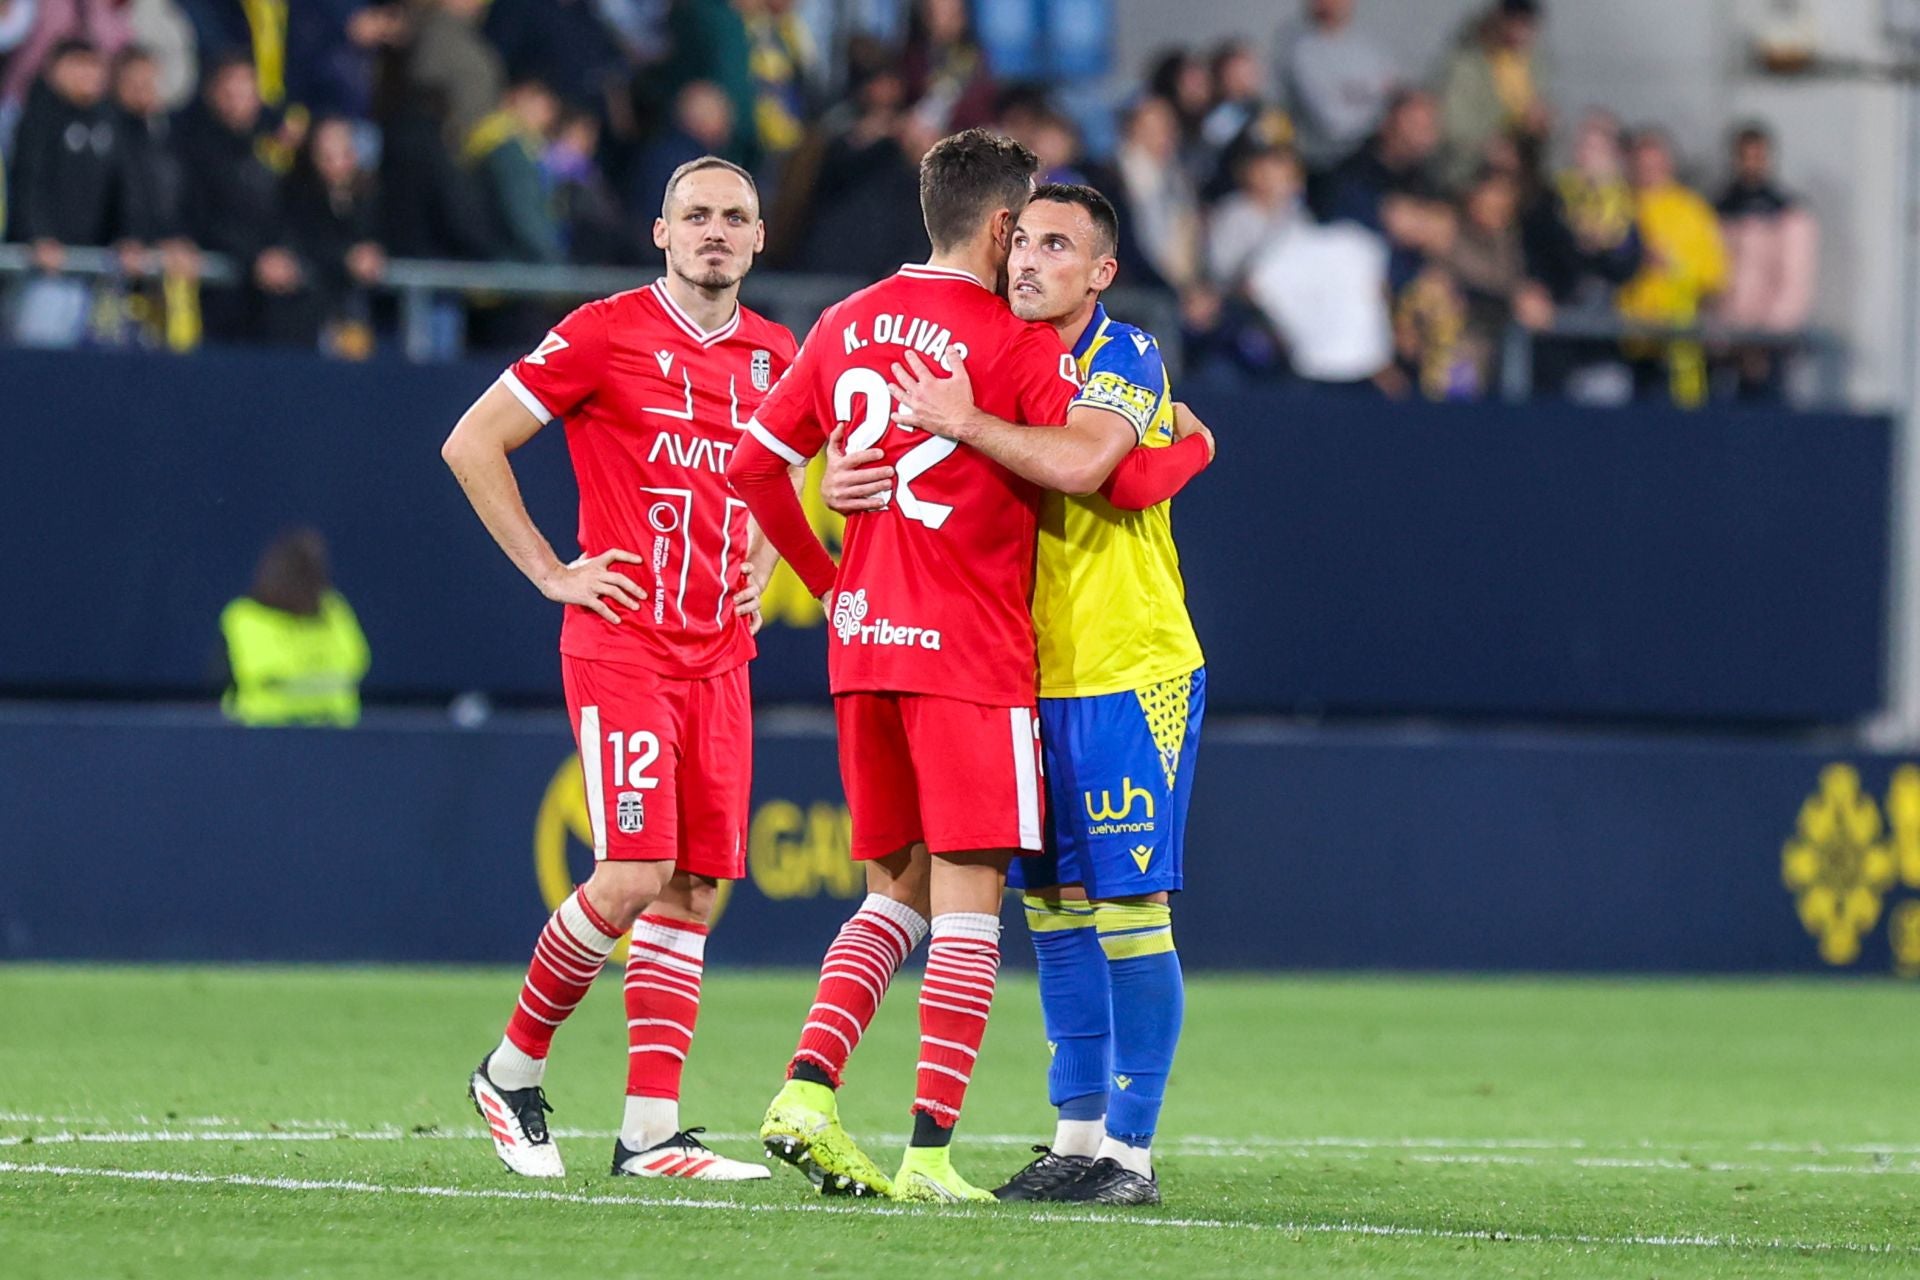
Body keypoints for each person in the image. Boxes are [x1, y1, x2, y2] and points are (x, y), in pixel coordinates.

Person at [823, 183, 1216, 1206]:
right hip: (1014, 675)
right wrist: (838, 474)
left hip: (1128, 668)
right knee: (1051, 915)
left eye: (1057, 244)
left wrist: (968, 420)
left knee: (1130, 911)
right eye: (1022, 239)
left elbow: (1096, 467)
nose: (1029, 258)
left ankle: (1130, 1149)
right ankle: (1074, 1134)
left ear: (1102, 271)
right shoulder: (986, 347)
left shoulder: (1121, 354)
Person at [726, 128, 1088, 1203]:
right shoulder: (1012, 340)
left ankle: (807, 1089)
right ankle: (930, 1154)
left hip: (865, 647)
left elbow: (752, 469)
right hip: (970, 651)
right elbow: (1084, 462)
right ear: (999, 226)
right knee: (974, 905)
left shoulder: (843, 320)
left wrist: (830, 579)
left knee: (899, 893)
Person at [442, 156, 798, 1182]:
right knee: (634, 870)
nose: (716, 231)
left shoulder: (778, 352)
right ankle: (510, 1068)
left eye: (735, 216)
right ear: (662, 231)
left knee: (688, 888)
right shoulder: (604, 331)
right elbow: (474, 442)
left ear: (760, 238)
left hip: (720, 653)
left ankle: (650, 1129)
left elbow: (788, 469)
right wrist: (551, 570)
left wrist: (765, 559)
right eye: (697, 215)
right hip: (626, 644)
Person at [1616, 127, 1726, 405]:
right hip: (1619, 342)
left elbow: (1713, 275)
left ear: (1669, 164)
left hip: (1675, 346)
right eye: (1641, 163)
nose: (1648, 170)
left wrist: (1672, 266)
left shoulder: (1691, 211)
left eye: (1655, 163)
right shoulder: (1618, 205)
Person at [219, 528, 370, 727]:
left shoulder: (335, 609)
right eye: (296, 574)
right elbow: (264, 672)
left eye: (311, 574)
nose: (302, 584)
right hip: (262, 737)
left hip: (335, 736)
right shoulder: (243, 617)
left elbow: (356, 662)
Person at [1713, 122, 1816, 401]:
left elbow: (1794, 282)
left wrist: (1764, 340)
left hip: (1770, 348)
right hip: (1723, 342)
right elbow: (1712, 274)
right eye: (1745, 156)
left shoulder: (1787, 213)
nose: (1750, 164)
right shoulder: (1719, 209)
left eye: (1757, 156)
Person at [1437, 0, 1551, 191]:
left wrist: (1540, 125)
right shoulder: (1467, 64)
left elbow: (1537, 114)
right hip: (1467, 171)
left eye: (1526, 26)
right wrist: (1489, 147)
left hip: (1517, 171)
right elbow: (1451, 123)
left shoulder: (1533, 65)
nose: (1519, 33)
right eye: (1514, 24)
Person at [1279, 0, 1398, 176]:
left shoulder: (1366, 45)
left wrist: (1353, 96)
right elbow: (1335, 123)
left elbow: (1394, 91)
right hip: (1324, 165)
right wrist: (1375, 110)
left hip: (1372, 156)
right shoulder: (1300, 51)